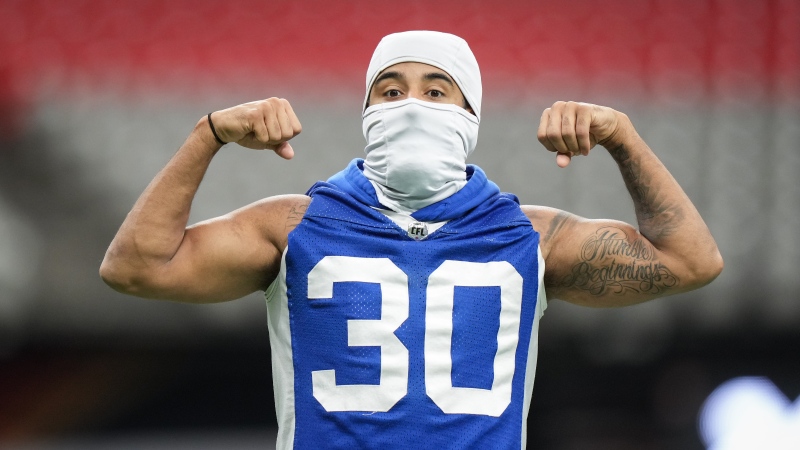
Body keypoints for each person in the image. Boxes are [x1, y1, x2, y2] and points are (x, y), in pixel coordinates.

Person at [100, 31, 722, 449]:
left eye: (436, 89)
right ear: (366, 112)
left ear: (469, 114)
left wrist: (623, 137)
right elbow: (136, 267)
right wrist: (207, 134)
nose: (412, 105)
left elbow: (689, 260)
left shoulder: (527, 236)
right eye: (391, 90)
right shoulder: (294, 226)